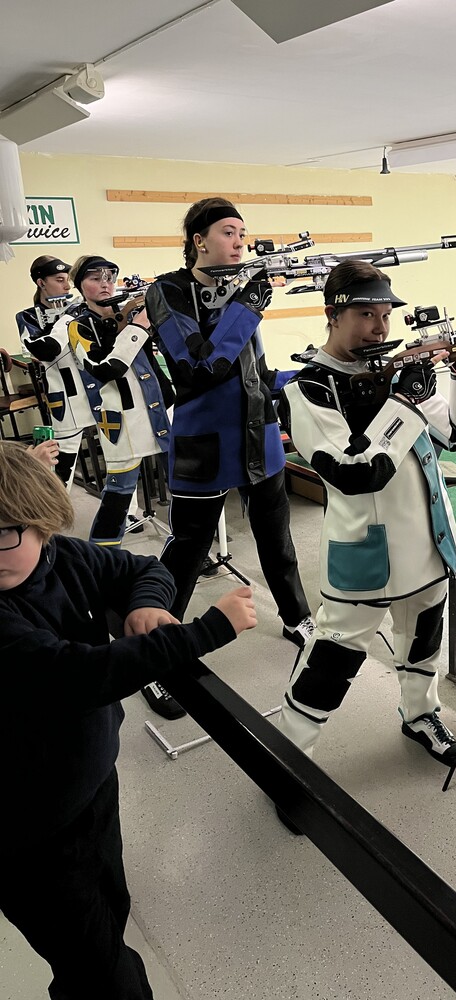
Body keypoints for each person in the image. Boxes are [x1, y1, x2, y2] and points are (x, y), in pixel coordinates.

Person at [0, 439, 257, 1000]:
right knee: (102, 973)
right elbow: (80, 674)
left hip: (91, 788)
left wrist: (145, 604)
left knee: (109, 918)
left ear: (42, 522)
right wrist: (208, 630)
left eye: (3, 533)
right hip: (27, 835)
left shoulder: (63, 558)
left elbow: (143, 568)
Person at [273, 259, 456, 808]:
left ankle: (420, 715)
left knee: (423, 642)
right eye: (365, 314)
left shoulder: (393, 373)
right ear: (332, 314)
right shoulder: (307, 389)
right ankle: (290, 761)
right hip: (366, 554)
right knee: (333, 661)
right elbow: (356, 471)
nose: (379, 327)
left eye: (385, 315)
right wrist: (403, 403)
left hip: (429, 543)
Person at [145, 197, 312, 642]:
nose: (239, 243)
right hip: (204, 443)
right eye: (228, 232)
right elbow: (197, 369)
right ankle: (157, 639)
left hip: (261, 437)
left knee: (278, 542)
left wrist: (315, 371)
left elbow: (257, 374)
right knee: (188, 548)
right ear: (199, 241)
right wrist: (248, 307)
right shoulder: (167, 291)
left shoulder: (238, 294)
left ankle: (296, 617)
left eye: (242, 234)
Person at [65, 255, 171, 549]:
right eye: (95, 278)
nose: (105, 284)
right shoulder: (78, 326)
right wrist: (138, 327)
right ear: (80, 285)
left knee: (181, 484)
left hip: (163, 406)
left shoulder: (130, 313)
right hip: (122, 417)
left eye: (109, 277)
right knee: (119, 492)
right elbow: (104, 369)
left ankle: (190, 548)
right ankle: (103, 556)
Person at [15, 255, 94, 489]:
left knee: (119, 463)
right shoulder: (28, 317)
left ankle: (127, 510)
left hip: (100, 392)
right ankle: (52, 508)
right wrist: (68, 319)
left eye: (67, 280)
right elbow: (46, 350)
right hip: (66, 399)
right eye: (59, 280)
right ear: (41, 283)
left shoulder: (83, 309)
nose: (67, 286)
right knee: (60, 469)